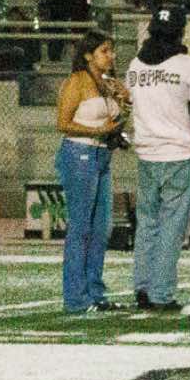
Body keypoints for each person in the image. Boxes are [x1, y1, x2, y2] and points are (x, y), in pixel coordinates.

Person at [125, 6, 190, 311]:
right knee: (172, 227)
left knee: (147, 224)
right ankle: (161, 292)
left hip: (146, 153)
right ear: (181, 32)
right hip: (179, 153)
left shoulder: (135, 65)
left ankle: (142, 288)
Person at [55, 30, 131, 315]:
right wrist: (98, 129)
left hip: (101, 155)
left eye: (111, 50)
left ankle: (95, 292)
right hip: (79, 154)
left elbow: (115, 122)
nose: (111, 56)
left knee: (101, 228)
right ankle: (76, 297)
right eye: (104, 51)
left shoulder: (108, 83)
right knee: (81, 228)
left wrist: (126, 102)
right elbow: (62, 123)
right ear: (88, 55)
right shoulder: (76, 81)